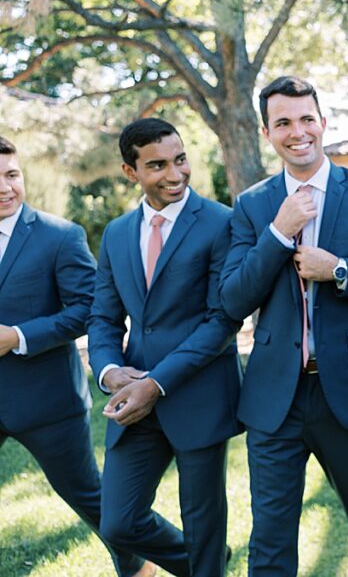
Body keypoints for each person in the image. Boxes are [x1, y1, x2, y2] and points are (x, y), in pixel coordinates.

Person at [220, 76, 348, 576]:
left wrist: (338, 270)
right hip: (274, 397)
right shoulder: (253, 206)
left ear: (323, 123)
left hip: (347, 391)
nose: (297, 132)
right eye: (283, 123)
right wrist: (278, 232)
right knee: (271, 536)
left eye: (306, 119)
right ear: (266, 132)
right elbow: (233, 298)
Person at [88, 118, 241, 577]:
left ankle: (208, 563)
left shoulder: (221, 223)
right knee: (118, 522)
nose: (175, 174)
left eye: (180, 160)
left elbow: (222, 322)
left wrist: (157, 383)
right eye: (157, 165)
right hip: (133, 399)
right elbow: (103, 318)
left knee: (204, 526)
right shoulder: (116, 233)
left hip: (199, 394)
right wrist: (109, 371)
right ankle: (207, 566)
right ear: (130, 171)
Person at [0, 135, 152, 577]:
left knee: (94, 500)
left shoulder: (61, 237)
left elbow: (87, 310)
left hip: (48, 403)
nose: (5, 188)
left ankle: (149, 566)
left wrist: (18, 336)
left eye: (11, 175)